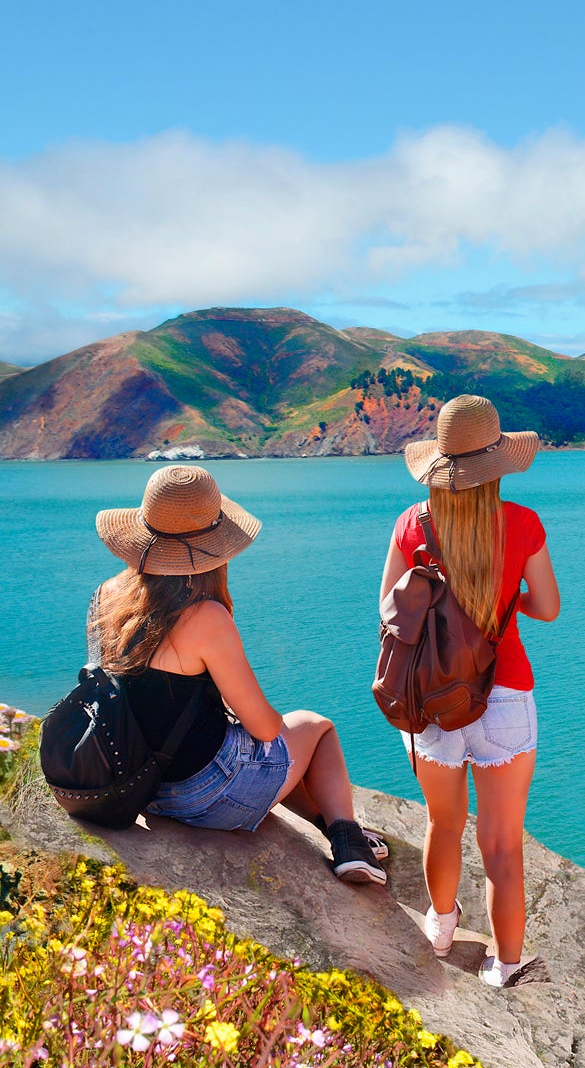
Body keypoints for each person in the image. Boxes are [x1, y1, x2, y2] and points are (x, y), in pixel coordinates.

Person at [91, 465, 387, 883]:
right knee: (314, 728)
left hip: (140, 787)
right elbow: (266, 730)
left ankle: (341, 832)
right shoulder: (204, 615)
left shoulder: (108, 595)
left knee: (281, 759)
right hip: (207, 799)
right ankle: (348, 844)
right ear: (214, 549)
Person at [380, 394, 560, 988]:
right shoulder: (523, 524)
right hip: (506, 694)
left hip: (433, 695)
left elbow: (389, 611)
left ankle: (441, 925)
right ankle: (505, 964)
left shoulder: (412, 524)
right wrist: (508, 602)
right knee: (504, 845)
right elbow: (549, 609)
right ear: (498, 465)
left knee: (443, 821)